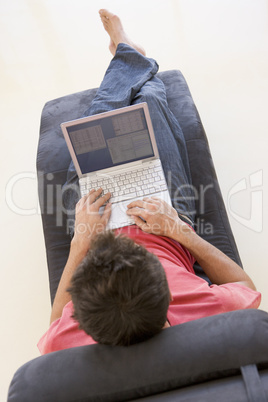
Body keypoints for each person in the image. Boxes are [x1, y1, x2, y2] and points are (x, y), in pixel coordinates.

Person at [38, 9, 261, 354]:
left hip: (91, 223)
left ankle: (127, 54)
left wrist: (82, 241)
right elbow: (246, 288)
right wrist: (177, 230)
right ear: (165, 296)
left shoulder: (83, 327)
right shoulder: (194, 305)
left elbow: (54, 328)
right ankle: (130, 53)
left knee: (99, 119)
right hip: (165, 216)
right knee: (153, 100)